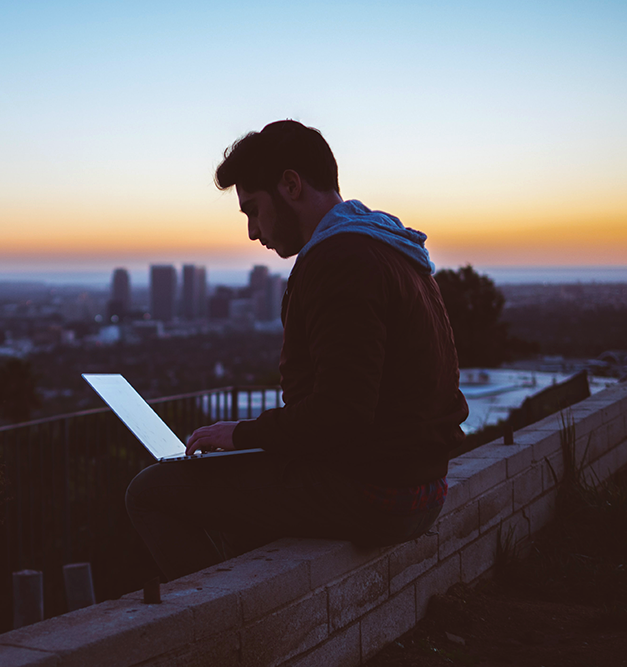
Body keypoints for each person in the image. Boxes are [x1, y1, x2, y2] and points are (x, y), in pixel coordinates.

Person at [125, 120, 469, 581]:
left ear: (290, 185)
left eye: (253, 210)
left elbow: (342, 412)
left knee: (150, 491)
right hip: (419, 485)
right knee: (235, 489)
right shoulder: (391, 248)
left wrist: (242, 435)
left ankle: (225, 627)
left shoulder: (339, 260)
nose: (252, 232)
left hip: (379, 495)